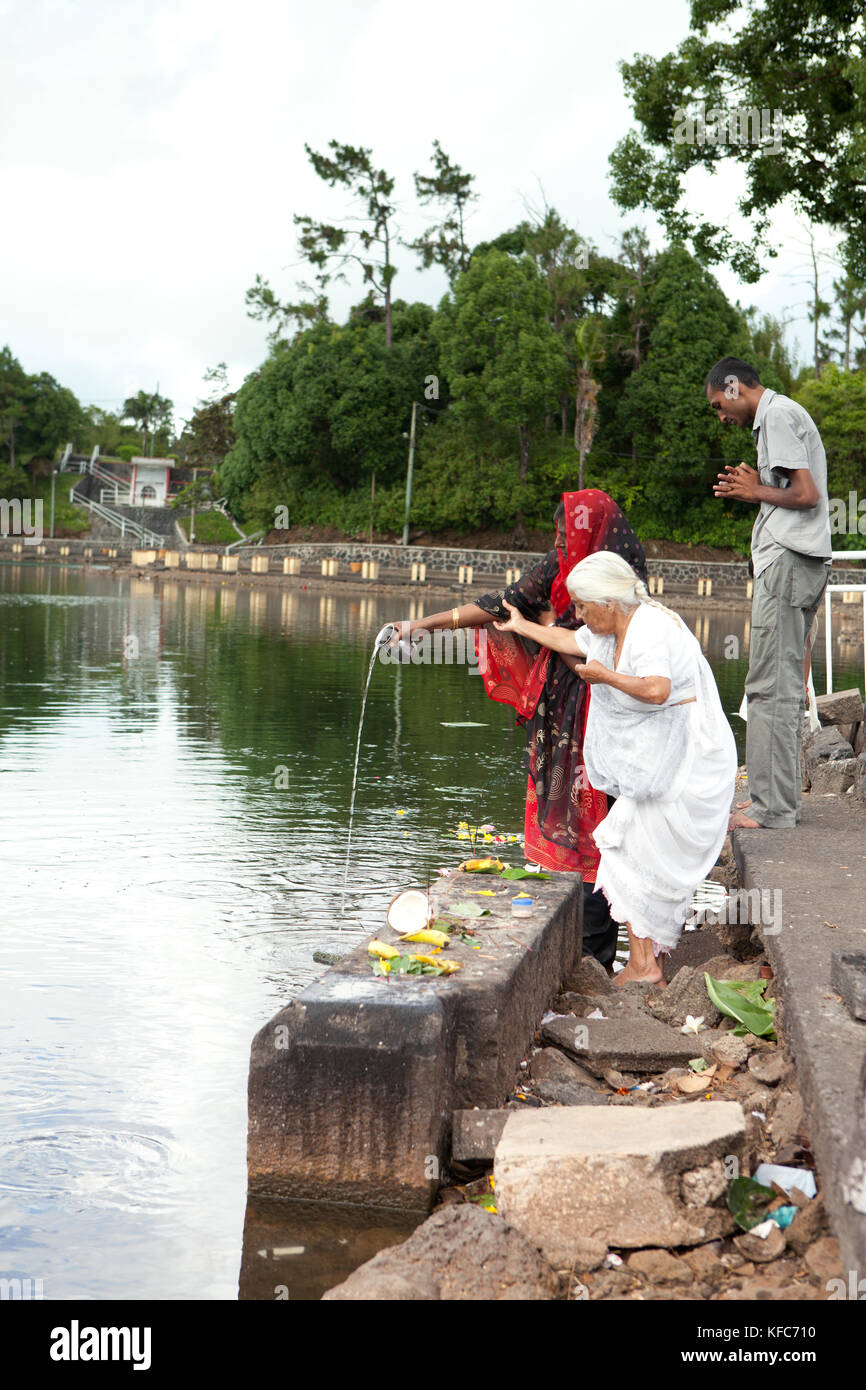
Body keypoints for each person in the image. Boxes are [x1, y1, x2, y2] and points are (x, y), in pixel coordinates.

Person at [385, 489, 648, 967]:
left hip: (609, 706)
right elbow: (500, 606)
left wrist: (545, 630)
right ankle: (582, 952)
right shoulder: (558, 565)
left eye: (569, 535)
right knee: (571, 824)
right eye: (559, 536)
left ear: (596, 532)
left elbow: (603, 656)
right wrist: (420, 625)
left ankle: (599, 954)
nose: (563, 545)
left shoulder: (619, 578)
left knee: (604, 824)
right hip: (561, 713)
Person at [494, 551, 738, 986]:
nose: (580, 616)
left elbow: (657, 689)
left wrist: (606, 678)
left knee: (627, 853)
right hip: (659, 766)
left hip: (686, 764)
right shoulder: (612, 627)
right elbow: (571, 642)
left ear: (609, 602)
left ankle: (645, 968)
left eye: (584, 607)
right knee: (628, 854)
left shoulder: (649, 628)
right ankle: (646, 966)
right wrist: (520, 626)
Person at [706, 357, 832, 829]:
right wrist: (758, 486)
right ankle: (769, 801)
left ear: (735, 388)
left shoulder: (776, 415)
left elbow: (806, 494)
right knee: (772, 686)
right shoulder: (777, 418)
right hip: (796, 563)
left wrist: (756, 491)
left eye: (720, 403)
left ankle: (773, 809)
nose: (720, 415)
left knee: (769, 688)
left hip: (788, 564)